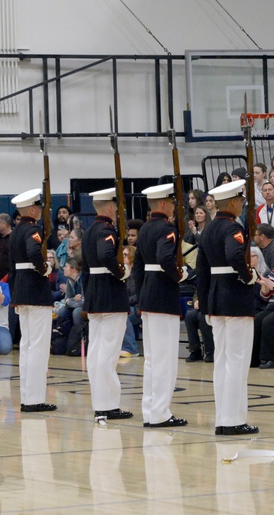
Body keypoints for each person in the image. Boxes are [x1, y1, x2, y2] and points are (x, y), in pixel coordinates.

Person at [196, 178, 260, 435]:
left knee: (222, 360)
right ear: (233, 202)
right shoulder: (233, 227)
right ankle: (234, 420)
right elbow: (235, 255)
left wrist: (203, 301)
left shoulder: (209, 229)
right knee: (236, 360)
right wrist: (249, 277)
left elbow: (201, 269)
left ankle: (224, 418)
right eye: (242, 201)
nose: (243, 205)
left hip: (215, 299)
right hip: (235, 298)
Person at [131, 183, 188, 428]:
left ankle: (150, 410)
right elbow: (165, 259)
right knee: (164, 359)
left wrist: (141, 294)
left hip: (148, 296)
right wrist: (180, 275)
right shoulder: (167, 228)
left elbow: (137, 267)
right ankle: (161, 413)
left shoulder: (143, 230)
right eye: (172, 203)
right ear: (164, 204)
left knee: (153, 359)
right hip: (164, 296)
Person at [82, 187, 134, 422]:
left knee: (96, 352)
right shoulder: (106, 230)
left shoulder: (90, 230)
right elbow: (105, 255)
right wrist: (121, 272)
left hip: (95, 293)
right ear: (112, 207)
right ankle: (108, 404)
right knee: (108, 352)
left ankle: (100, 402)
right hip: (110, 295)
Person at [9, 189, 56, 413]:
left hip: (21, 289)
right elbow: (33, 251)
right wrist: (44, 267)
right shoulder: (32, 230)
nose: (39, 211)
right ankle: (34, 399)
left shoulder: (16, 230)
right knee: (37, 346)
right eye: (38, 207)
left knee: (27, 346)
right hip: (35, 290)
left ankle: (28, 396)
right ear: (31, 209)